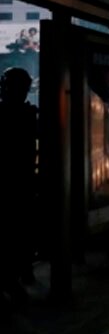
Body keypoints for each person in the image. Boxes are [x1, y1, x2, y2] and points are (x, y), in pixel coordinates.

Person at [0, 67, 39, 307]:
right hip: (21, 184)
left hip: (11, 186)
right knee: (18, 234)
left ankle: (12, 279)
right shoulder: (28, 115)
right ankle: (15, 277)